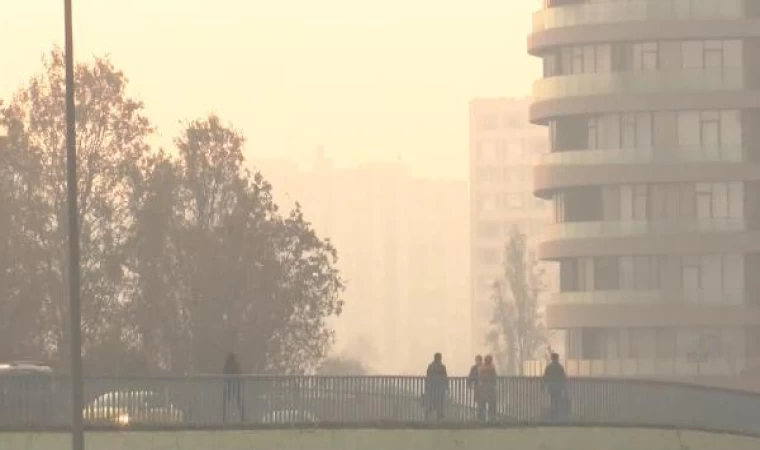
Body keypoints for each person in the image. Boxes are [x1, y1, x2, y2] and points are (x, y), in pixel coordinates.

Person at [424, 353, 448, 420]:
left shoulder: (430, 366)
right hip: (440, 389)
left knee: (431, 404)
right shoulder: (442, 367)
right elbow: (445, 377)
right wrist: (447, 386)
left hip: (431, 388)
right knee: (440, 404)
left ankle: (427, 416)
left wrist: (426, 387)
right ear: (440, 358)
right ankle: (439, 419)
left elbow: (427, 376)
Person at [543, 353, 567, 421]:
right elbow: (563, 378)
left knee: (552, 401)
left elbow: (545, 377)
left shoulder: (549, 367)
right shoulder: (560, 367)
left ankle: (553, 416)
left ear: (551, 358)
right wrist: (564, 388)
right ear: (557, 358)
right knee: (558, 401)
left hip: (551, 387)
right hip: (558, 387)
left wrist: (543, 386)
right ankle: (558, 417)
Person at [223, 352, 245, 423]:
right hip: (232, 386)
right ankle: (242, 418)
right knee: (235, 402)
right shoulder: (234, 365)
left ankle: (224, 418)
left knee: (227, 403)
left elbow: (224, 374)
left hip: (231, 386)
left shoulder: (230, 365)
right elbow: (240, 373)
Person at [478, 355, 497, 421]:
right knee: (484, 402)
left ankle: (491, 417)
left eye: (490, 359)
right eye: (488, 359)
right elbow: (481, 376)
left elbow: (494, 376)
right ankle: (483, 417)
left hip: (489, 387)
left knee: (491, 402)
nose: (489, 361)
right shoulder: (484, 367)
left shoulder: (491, 367)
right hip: (485, 386)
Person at [467, 355, 484, 419]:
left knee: (482, 401)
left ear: (481, 360)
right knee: (478, 401)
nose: (477, 361)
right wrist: (469, 384)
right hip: (477, 386)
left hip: (483, 387)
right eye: (476, 360)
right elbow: (470, 376)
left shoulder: (484, 367)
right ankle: (480, 415)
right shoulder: (473, 368)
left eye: (478, 360)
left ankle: (480, 415)